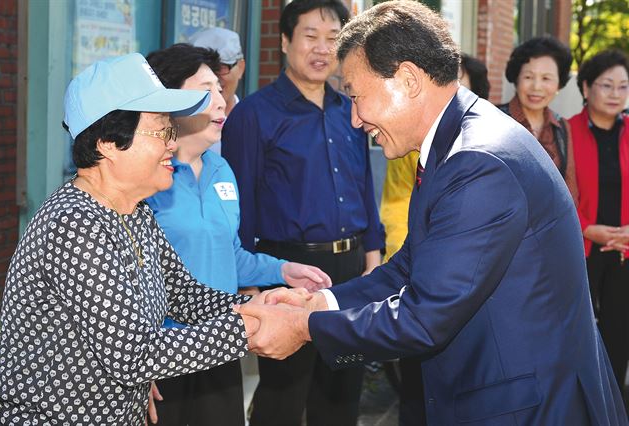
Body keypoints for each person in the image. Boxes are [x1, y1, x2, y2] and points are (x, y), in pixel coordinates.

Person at [233, 1, 629, 425]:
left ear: (407, 79)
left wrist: (303, 326)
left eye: (355, 95)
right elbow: (412, 265)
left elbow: (425, 315)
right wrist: (319, 302)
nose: (354, 118)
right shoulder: (456, 141)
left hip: (527, 405)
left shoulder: (479, 161)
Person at [0, 53, 260, 425]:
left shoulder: (134, 210)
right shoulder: (74, 224)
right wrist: (252, 331)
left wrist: (259, 306)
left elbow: (183, 294)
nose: (171, 143)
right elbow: (134, 355)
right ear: (108, 143)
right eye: (161, 130)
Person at [144, 43, 332, 426]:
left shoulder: (222, 170)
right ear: (168, 99)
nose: (222, 102)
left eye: (220, 89)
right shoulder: (146, 176)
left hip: (220, 343)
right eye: (205, 90)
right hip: (162, 356)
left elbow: (231, 254)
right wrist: (134, 366)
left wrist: (282, 271)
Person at [222, 0, 385, 424]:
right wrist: (250, 284)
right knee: (282, 395)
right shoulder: (254, 115)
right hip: (287, 269)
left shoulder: (350, 107)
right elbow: (241, 207)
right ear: (285, 42)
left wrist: (373, 256)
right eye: (310, 36)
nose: (322, 48)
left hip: (350, 272)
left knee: (342, 393)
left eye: (332, 39)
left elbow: (365, 185)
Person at [379, 52, 491, 426]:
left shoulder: (473, 160)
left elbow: (434, 309)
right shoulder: (417, 150)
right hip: (414, 280)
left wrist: (309, 324)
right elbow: (401, 223)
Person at [569, 49, 629, 398]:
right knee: (579, 338)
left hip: (624, 254)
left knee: (619, 336)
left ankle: (615, 410)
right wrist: (586, 227)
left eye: (623, 87)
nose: (615, 94)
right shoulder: (567, 131)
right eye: (606, 85)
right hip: (581, 251)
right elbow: (558, 192)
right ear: (587, 86)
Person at [499, 36, 578, 200]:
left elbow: (570, 192)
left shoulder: (562, 127)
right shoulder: (494, 119)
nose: (536, 87)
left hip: (552, 224)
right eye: (528, 77)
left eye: (546, 78)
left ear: (559, 84)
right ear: (516, 78)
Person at [190, 27, 245, 156]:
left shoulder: (252, 121)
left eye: (221, 67)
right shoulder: (179, 125)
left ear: (241, 68)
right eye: (205, 69)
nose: (213, 77)